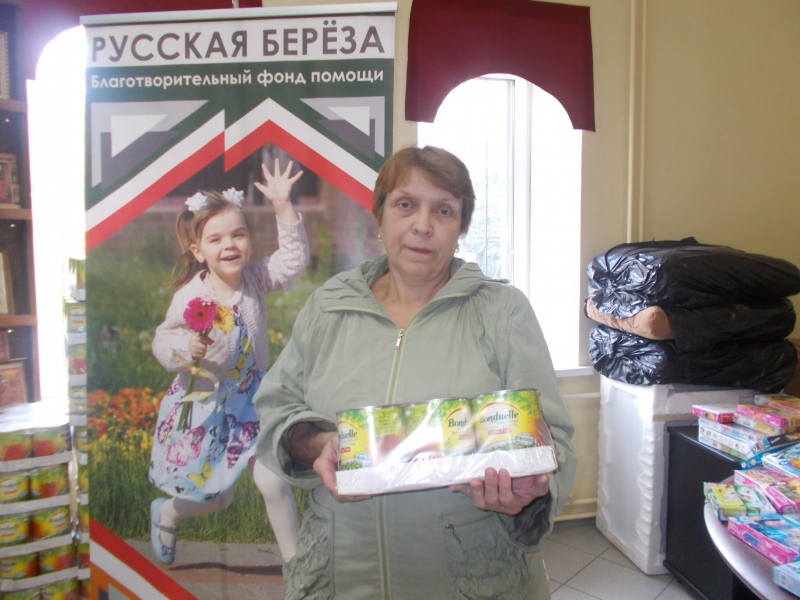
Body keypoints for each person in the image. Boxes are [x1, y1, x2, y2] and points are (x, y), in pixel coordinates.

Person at [254, 146, 578, 599]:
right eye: (405, 204)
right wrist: (319, 443)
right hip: (341, 577)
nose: (423, 225)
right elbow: (276, 410)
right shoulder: (328, 307)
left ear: (461, 228)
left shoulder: (503, 312)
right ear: (380, 216)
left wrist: (529, 493)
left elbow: (554, 440)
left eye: (443, 210)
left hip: (475, 581)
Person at [148, 159, 309, 566]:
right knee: (217, 498)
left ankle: (297, 569)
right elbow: (161, 342)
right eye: (216, 239)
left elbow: (292, 262)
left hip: (253, 400)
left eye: (238, 234)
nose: (230, 245)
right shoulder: (190, 296)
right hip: (208, 406)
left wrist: (282, 206)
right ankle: (167, 513)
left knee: (272, 481)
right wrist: (186, 346)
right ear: (198, 251)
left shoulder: (255, 279)